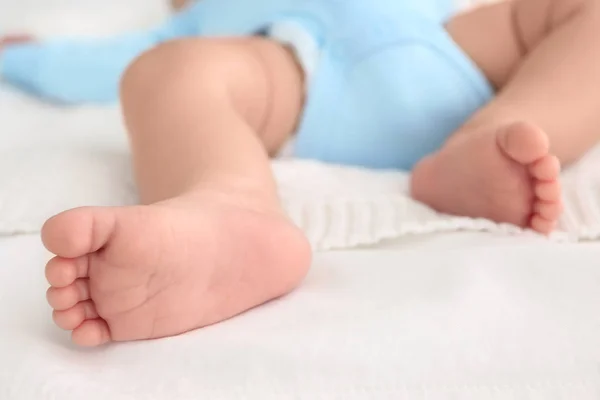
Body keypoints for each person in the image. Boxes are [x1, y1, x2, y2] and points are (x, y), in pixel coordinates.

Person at [1, 0, 597, 347]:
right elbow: (89, 65)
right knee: (163, 71)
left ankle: (495, 138)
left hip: (447, 48)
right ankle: (230, 205)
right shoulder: (194, 20)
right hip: (296, 73)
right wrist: (24, 55)